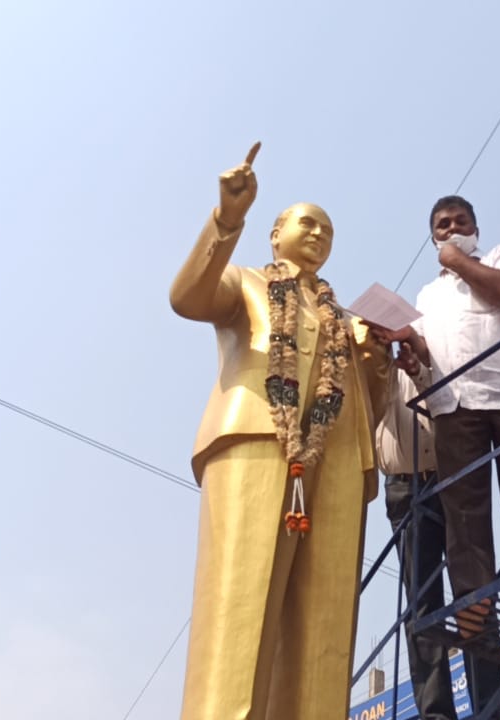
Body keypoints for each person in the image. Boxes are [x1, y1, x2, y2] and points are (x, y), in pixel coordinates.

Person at [169, 143, 388, 720]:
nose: (318, 234)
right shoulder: (246, 283)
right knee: (241, 606)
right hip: (257, 441)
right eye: (306, 223)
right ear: (275, 233)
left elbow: (375, 408)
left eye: (328, 230)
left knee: (326, 623)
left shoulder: (347, 319)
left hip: (337, 458)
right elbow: (187, 298)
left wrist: (378, 362)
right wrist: (227, 218)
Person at [379, 195, 500, 717]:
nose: (451, 230)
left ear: (475, 227)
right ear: (431, 237)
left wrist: (460, 261)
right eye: (442, 227)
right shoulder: (427, 294)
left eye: (459, 223)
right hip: (452, 407)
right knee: (465, 519)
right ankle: (476, 608)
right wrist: (412, 351)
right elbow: (426, 355)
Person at [375, 360, 456, 720]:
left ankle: (489, 703)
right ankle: (435, 712)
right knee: (421, 603)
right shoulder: (375, 371)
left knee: (474, 593)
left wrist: (418, 364)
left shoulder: (434, 355)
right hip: (404, 486)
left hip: (451, 477)